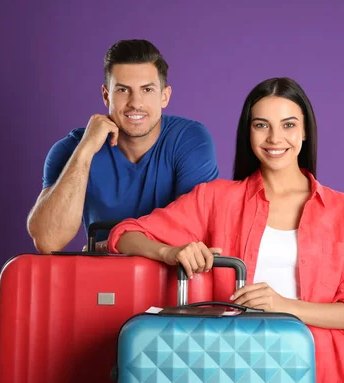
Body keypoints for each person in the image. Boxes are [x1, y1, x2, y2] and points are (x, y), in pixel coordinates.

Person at [106, 77, 344, 383]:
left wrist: (283, 306)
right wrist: (170, 252)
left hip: (326, 371)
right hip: (235, 367)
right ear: (248, 132)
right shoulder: (215, 198)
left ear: (304, 131)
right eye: (261, 125)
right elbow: (124, 234)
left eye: (288, 125)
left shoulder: (343, 210)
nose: (275, 138)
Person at [27, 39, 219, 253]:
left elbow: (193, 231)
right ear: (106, 95)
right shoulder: (72, 148)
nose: (135, 102)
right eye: (123, 90)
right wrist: (85, 151)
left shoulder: (190, 139)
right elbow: (48, 240)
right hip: (103, 282)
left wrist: (104, 246)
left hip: (172, 280)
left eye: (147, 89)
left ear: (164, 96)